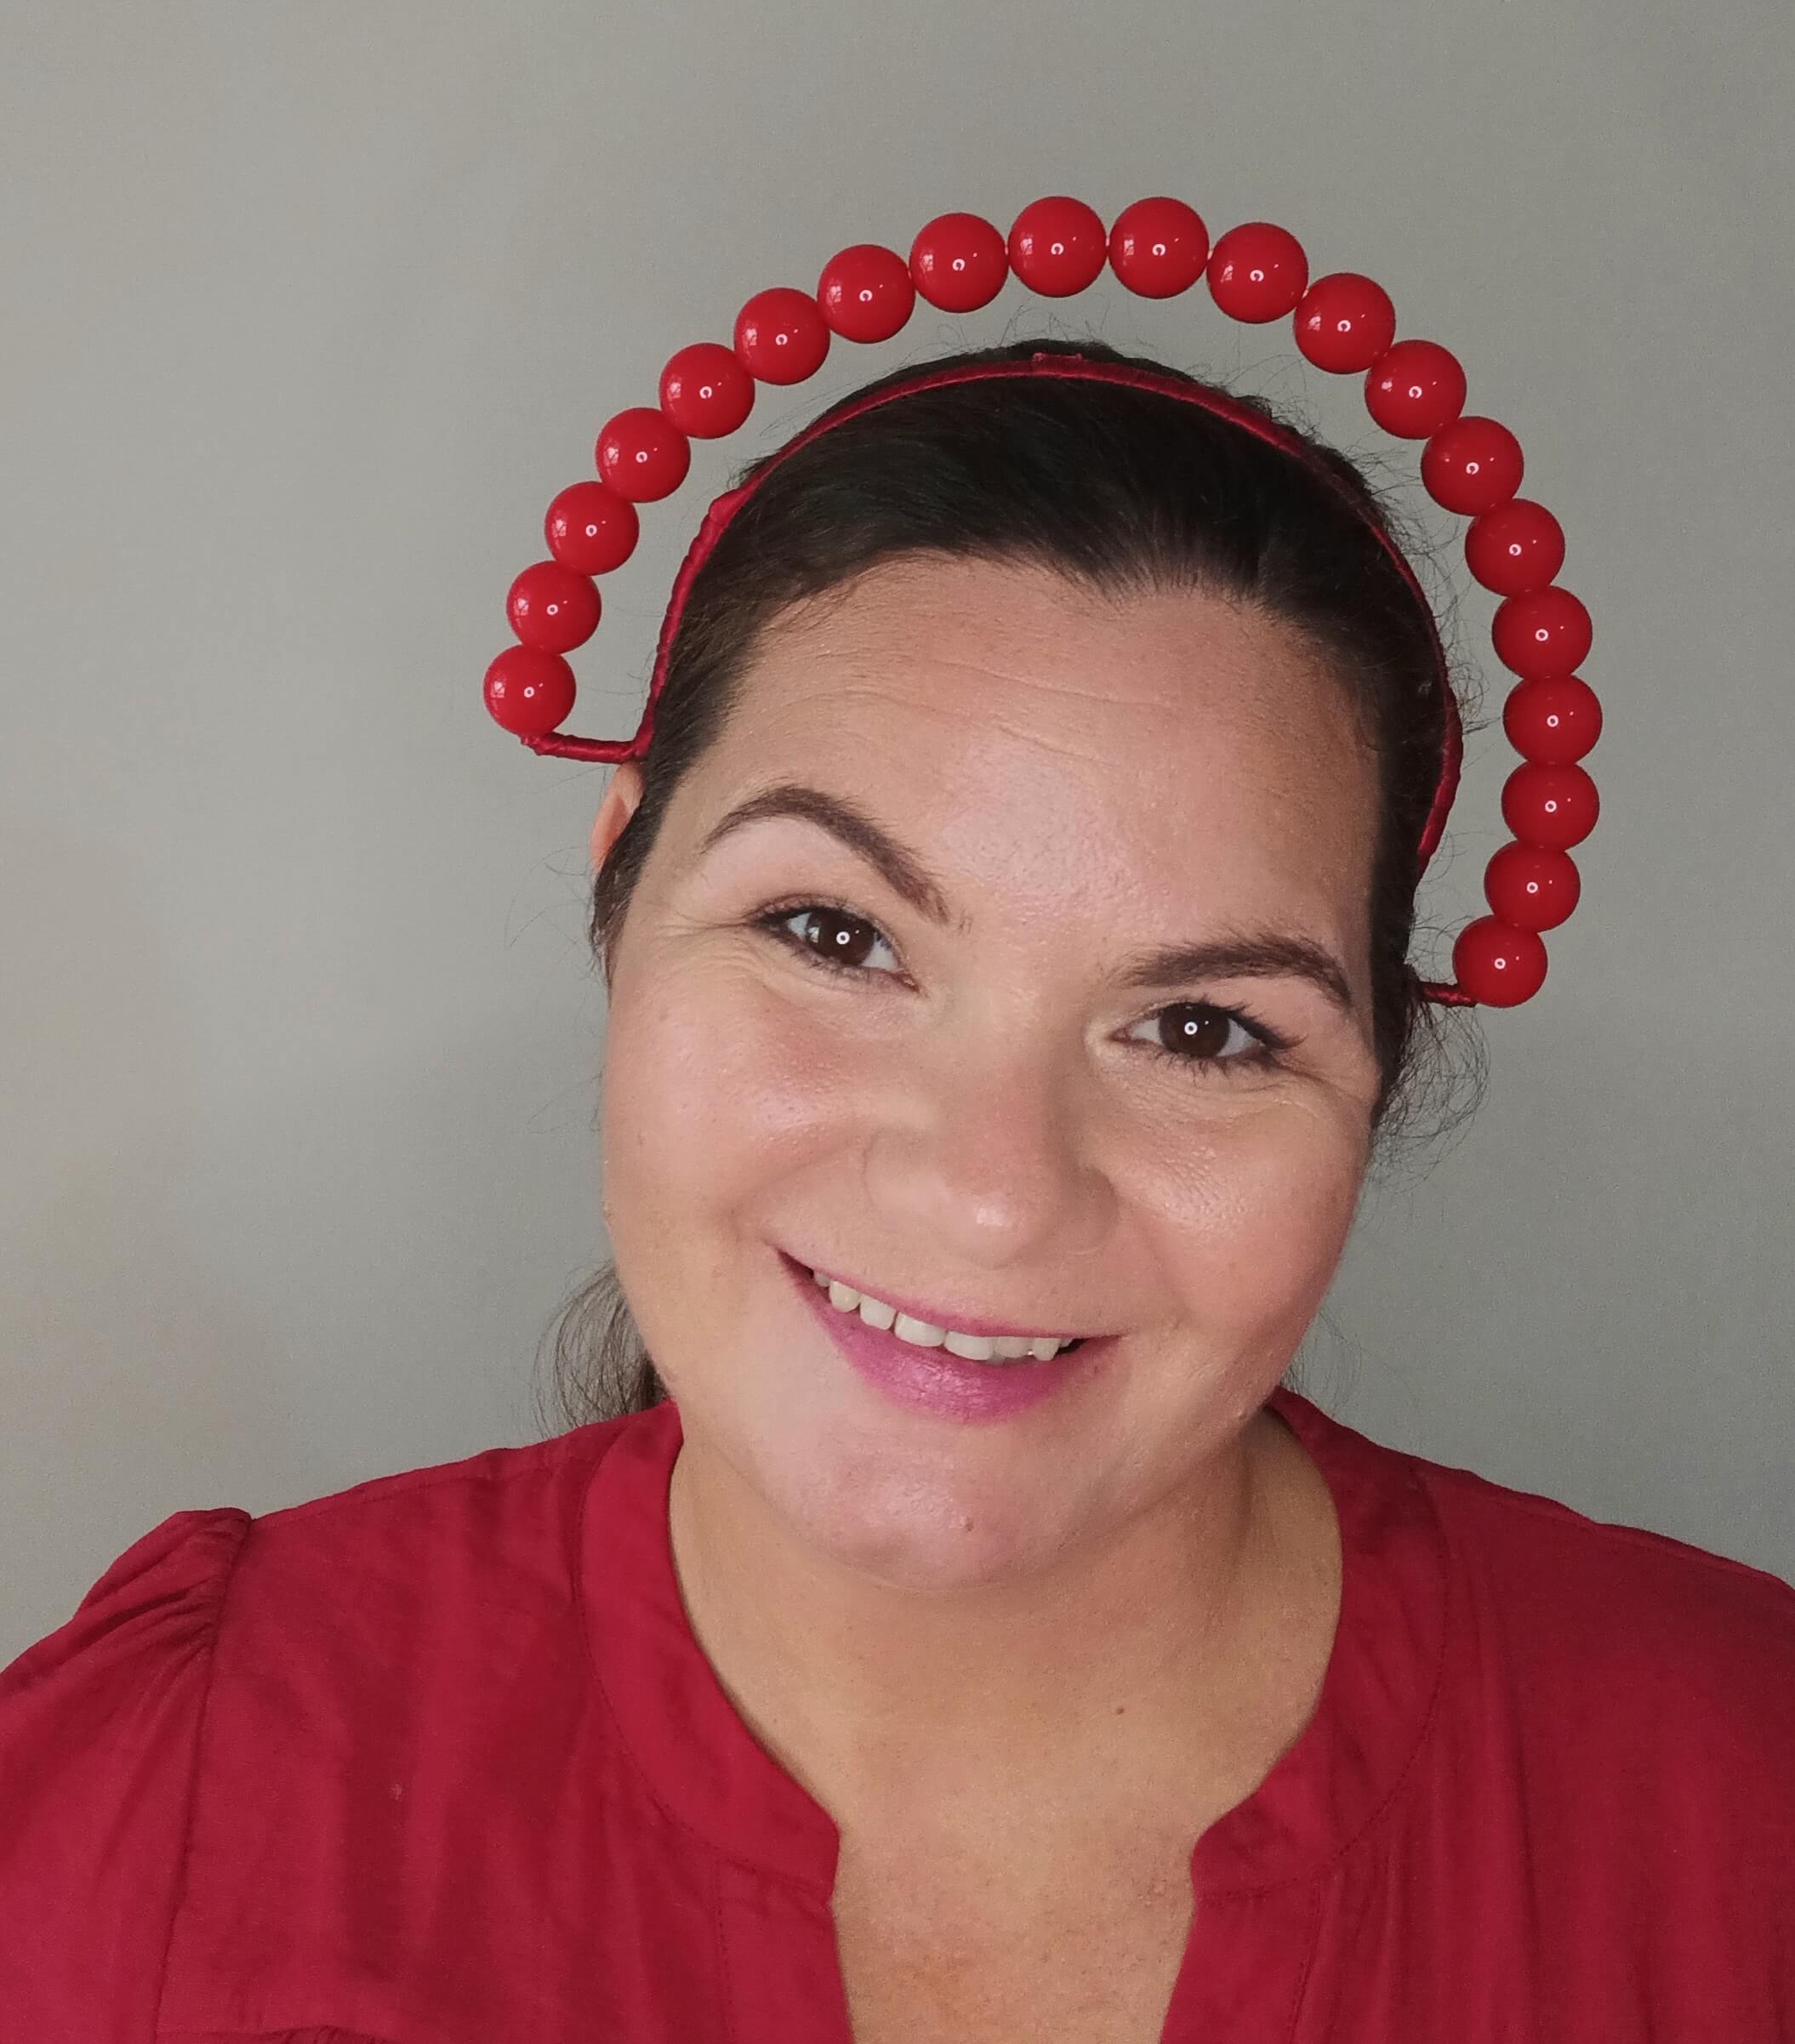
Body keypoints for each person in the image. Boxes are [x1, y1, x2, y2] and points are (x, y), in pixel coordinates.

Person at [3, 337, 1792, 2043]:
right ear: (621, 881)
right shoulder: (168, 1794)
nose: (990, 1195)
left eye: (1199, 1028)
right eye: (832, 933)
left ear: (1376, 1077)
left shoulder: (1738, 1808)